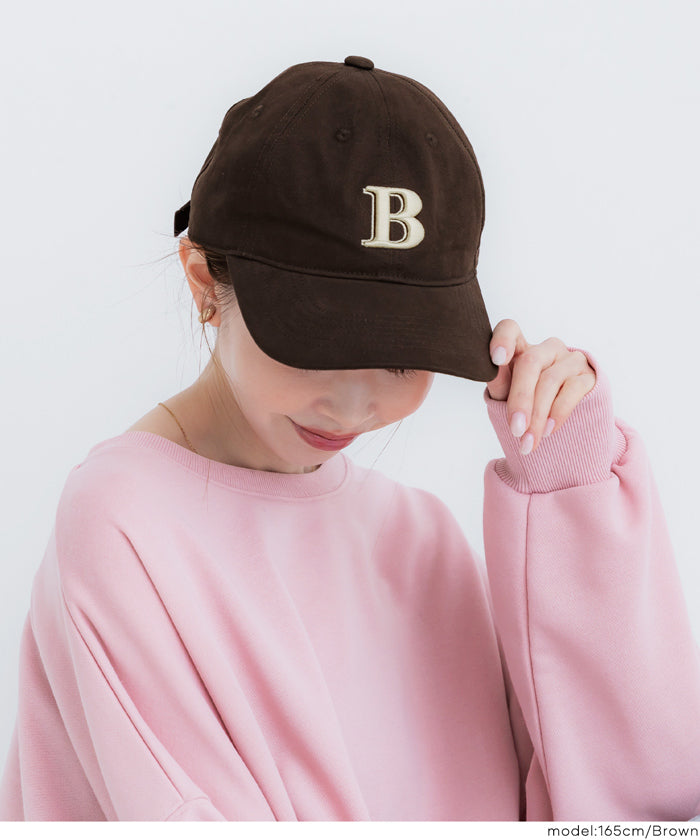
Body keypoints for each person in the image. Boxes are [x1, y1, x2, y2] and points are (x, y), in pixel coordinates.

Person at [1, 55, 699, 822]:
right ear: (202, 281)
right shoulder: (123, 520)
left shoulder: (420, 539)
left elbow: (630, 810)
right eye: (318, 343)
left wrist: (572, 485)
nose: (355, 404)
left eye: (403, 356)